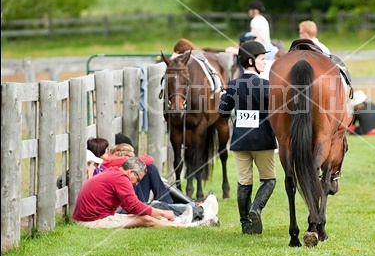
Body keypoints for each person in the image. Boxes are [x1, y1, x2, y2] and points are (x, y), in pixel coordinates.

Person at [218, 40, 277, 235]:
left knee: (244, 183)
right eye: (262, 59)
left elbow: (222, 113)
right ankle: (256, 209)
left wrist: (223, 98)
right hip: (263, 141)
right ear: (251, 61)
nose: (265, 62)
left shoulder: (233, 85)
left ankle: (245, 225)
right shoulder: (267, 85)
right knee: (269, 179)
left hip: (240, 141)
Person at [72, 156, 218, 228]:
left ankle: (185, 217)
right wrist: (163, 213)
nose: (136, 183)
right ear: (131, 172)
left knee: (147, 212)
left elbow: (132, 208)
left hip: (90, 217)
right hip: (92, 221)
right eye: (137, 179)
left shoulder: (115, 173)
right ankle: (186, 225)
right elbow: (135, 207)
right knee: (145, 219)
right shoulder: (121, 179)